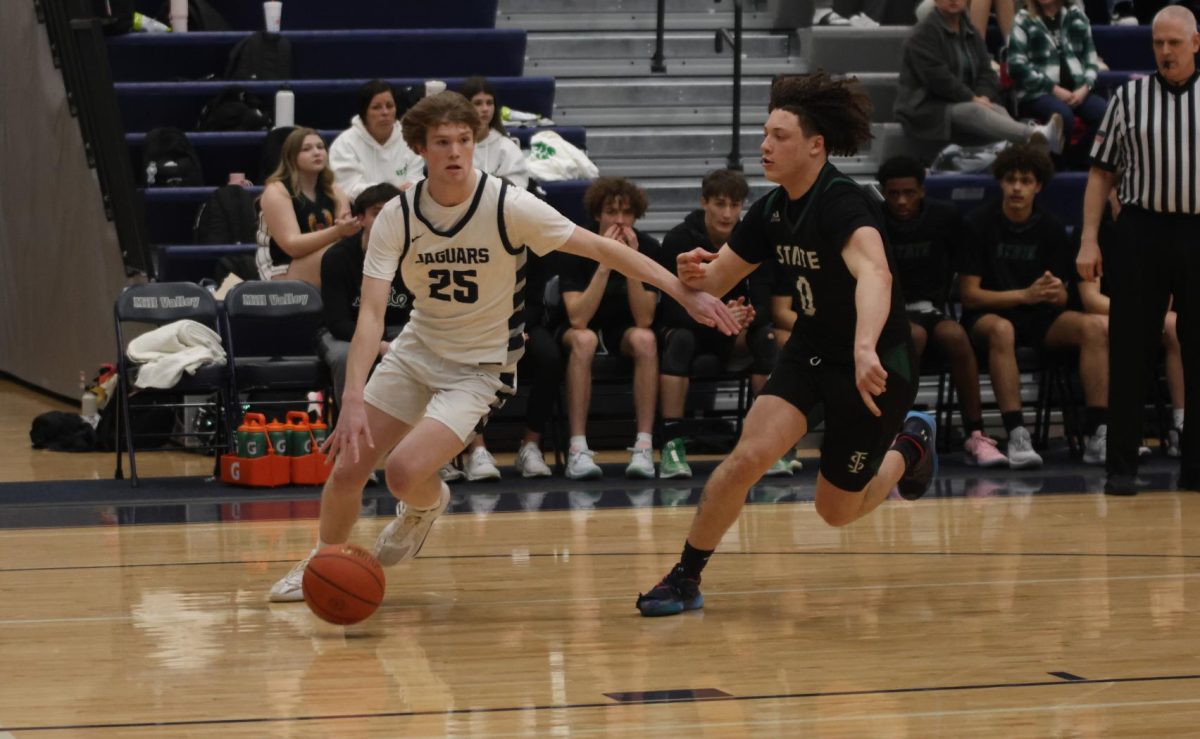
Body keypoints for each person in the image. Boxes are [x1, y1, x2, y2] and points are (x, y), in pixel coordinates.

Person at [268, 92, 736, 601]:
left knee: (404, 473)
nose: (455, 152)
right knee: (349, 467)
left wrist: (682, 291)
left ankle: (424, 506)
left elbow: (602, 247)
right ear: (420, 149)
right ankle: (322, 562)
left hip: (480, 367)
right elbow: (372, 316)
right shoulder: (397, 216)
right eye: (442, 142)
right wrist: (353, 396)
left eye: (465, 140)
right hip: (417, 349)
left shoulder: (509, 205)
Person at [635, 72, 938, 617]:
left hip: (873, 365)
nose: (764, 145)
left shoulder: (844, 203)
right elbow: (717, 280)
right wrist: (687, 270)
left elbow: (875, 274)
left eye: (779, 136)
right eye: (764, 133)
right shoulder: (772, 211)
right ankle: (685, 576)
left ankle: (911, 445)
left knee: (836, 512)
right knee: (745, 458)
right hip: (811, 352)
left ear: (815, 145)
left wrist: (866, 346)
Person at [1077, 6, 1200, 493]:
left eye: (1174, 43)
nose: (1165, 51)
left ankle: (1196, 467)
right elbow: (1101, 173)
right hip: (1141, 231)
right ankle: (1122, 468)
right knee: (1129, 349)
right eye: (1158, 43)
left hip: (1197, 232)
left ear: (1196, 43)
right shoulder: (1128, 97)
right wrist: (1088, 238)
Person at [961, 143, 1109, 469]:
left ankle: (1098, 432)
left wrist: (1057, 294)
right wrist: (1023, 296)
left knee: (1094, 326)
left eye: (1025, 181)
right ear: (1000, 182)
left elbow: (1064, 297)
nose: (1017, 187)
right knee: (1002, 330)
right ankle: (1016, 434)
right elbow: (969, 295)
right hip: (990, 315)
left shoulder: (1051, 227)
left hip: (1040, 317)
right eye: (1011, 179)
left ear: (1038, 185)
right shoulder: (978, 224)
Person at [656, 169, 789, 479]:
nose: (728, 213)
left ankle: (766, 445)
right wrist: (718, 314)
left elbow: (762, 303)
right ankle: (672, 445)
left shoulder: (755, 242)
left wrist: (747, 316)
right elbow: (670, 311)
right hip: (689, 329)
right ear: (704, 202)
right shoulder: (679, 239)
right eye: (720, 204)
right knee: (680, 341)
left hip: (734, 334)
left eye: (735, 205)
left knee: (767, 338)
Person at [877, 155, 1008, 466]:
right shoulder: (874, 219)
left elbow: (964, 265)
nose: (901, 201)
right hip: (889, 312)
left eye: (908, 192)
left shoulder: (945, 217)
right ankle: (897, 431)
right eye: (893, 194)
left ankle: (976, 433)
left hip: (930, 306)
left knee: (956, 336)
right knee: (915, 337)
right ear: (884, 193)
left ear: (922, 190)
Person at [557, 177, 663, 481]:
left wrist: (629, 261)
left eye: (627, 213)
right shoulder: (576, 246)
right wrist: (606, 261)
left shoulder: (649, 247)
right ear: (597, 215)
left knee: (645, 339)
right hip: (578, 330)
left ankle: (643, 445)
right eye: (611, 212)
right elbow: (578, 318)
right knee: (585, 339)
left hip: (623, 330)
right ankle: (577, 447)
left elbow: (644, 318)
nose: (619, 221)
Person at [1076, 197, 1185, 458]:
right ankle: (1101, 430)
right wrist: (1136, 313)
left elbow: (1166, 295)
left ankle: (1182, 425)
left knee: (1175, 324)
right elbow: (1090, 298)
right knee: (1104, 327)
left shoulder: (1158, 235)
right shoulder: (1096, 236)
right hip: (1105, 315)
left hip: (1144, 314)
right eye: (1117, 192)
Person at [896, 0, 1064, 152]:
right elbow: (938, 79)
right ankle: (1035, 135)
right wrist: (971, 98)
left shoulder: (969, 30)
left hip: (964, 102)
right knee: (976, 110)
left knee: (996, 109)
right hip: (927, 108)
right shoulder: (923, 34)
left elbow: (986, 72)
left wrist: (983, 96)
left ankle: (1025, 148)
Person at [318, 183, 412, 409]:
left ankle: (414, 429)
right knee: (344, 357)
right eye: (378, 213)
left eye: (394, 212)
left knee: (427, 350)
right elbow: (338, 323)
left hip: (398, 329)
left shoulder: (413, 253)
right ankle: (348, 427)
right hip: (345, 333)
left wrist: (402, 342)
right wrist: (378, 345)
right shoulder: (336, 258)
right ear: (359, 218)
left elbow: (419, 313)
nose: (387, 219)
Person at [1007, 0, 1108, 167]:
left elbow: (1091, 61)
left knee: (1107, 115)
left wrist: (1085, 87)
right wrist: (1053, 89)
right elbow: (1016, 66)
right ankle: (1056, 168)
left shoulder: (1077, 16)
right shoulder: (1023, 19)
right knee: (1063, 116)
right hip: (1037, 92)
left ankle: (1075, 160)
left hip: (1076, 90)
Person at [256, 127, 358, 287]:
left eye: (320, 147)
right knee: (338, 255)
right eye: (307, 149)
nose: (317, 152)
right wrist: (338, 231)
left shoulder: (335, 191)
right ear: (291, 157)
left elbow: (346, 235)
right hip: (280, 268)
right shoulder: (276, 191)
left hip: (323, 259)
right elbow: (292, 246)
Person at [329, 80, 425, 198]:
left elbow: (417, 180)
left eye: (389, 106)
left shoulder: (410, 138)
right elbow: (348, 188)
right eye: (376, 107)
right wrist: (392, 193)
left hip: (405, 208)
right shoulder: (344, 143)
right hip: (362, 212)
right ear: (364, 113)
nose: (385, 112)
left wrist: (408, 189)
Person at [461, 76, 530, 191]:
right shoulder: (453, 146)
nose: (485, 109)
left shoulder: (506, 147)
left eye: (489, 103)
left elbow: (518, 188)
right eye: (478, 103)